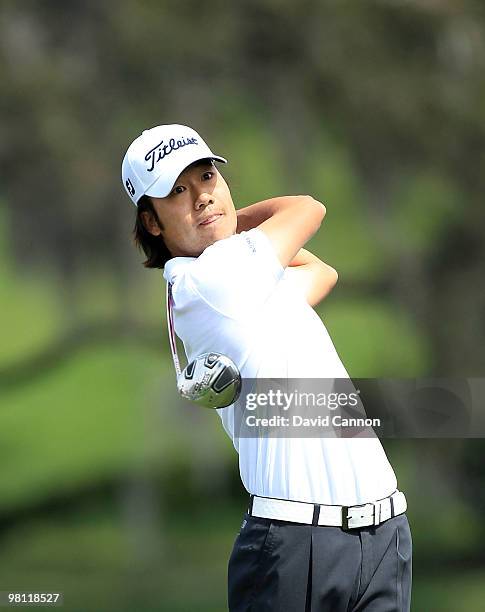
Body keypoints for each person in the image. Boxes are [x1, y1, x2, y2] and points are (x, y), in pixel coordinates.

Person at [121, 124, 413, 611]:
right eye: (177, 191)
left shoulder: (239, 282)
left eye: (207, 177)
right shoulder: (213, 279)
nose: (202, 197)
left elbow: (320, 274)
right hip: (297, 545)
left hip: (382, 534)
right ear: (152, 223)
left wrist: (226, 225)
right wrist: (233, 225)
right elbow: (307, 209)